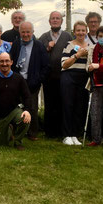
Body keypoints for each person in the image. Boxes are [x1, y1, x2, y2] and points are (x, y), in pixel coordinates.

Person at [10, 21, 49, 140]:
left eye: (28, 32)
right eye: (23, 32)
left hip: (33, 82)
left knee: (32, 108)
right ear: (20, 32)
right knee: (17, 107)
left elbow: (46, 66)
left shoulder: (39, 45)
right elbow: (11, 61)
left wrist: (38, 80)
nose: (26, 34)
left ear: (32, 32)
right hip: (18, 81)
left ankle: (32, 133)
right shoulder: (17, 44)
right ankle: (18, 131)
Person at [0, 52, 31, 150]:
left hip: (14, 111)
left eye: (7, 61)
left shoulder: (18, 78)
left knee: (25, 119)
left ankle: (18, 141)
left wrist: (27, 110)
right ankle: (9, 130)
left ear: (11, 62)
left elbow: (27, 96)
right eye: (1, 61)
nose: (4, 63)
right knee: (2, 144)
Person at [38, 11, 72, 139]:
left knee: (62, 103)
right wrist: (47, 48)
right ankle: (49, 132)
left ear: (61, 21)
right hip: (48, 77)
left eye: (58, 18)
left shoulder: (68, 36)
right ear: (49, 21)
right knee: (49, 104)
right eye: (53, 18)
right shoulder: (44, 37)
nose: (55, 20)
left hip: (64, 76)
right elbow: (39, 55)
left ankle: (61, 131)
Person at [60, 21, 90, 146]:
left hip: (84, 77)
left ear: (86, 31)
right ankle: (66, 135)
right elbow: (64, 64)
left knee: (80, 107)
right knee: (68, 106)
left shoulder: (91, 45)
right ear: (74, 32)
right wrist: (77, 55)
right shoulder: (69, 45)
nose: (81, 33)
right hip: (69, 76)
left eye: (83, 30)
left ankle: (74, 135)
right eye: (78, 30)